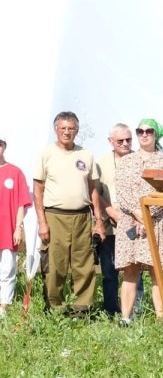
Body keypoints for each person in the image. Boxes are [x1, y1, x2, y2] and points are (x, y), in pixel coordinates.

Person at [32, 111, 105, 316]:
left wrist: (98, 220)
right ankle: (54, 308)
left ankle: (81, 309)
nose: (67, 132)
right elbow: (38, 190)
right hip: (55, 216)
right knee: (55, 265)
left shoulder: (86, 155)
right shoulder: (46, 154)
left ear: (77, 130)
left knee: (85, 264)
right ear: (56, 130)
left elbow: (93, 190)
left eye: (71, 128)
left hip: (82, 216)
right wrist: (42, 222)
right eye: (63, 128)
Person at [114, 119, 163, 324]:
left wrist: (147, 213)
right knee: (130, 270)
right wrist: (136, 213)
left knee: (156, 270)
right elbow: (121, 191)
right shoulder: (125, 161)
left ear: (156, 135)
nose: (144, 135)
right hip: (130, 221)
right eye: (140, 131)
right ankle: (126, 317)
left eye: (149, 131)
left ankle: (161, 318)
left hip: (156, 220)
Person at [95, 124, 134, 318]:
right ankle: (110, 310)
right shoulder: (101, 164)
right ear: (110, 141)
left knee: (134, 270)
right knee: (110, 271)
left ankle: (134, 310)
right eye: (121, 141)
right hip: (111, 226)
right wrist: (110, 212)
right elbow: (95, 194)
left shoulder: (138, 160)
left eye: (128, 140)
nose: (125, 144)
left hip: (135, 226)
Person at [0, 136, 32, 316]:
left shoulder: (15, 172)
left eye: (0, 144)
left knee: (7, 268)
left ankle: (4, 305)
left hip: (7, 229)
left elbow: (21, 203)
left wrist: (18, 227)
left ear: (4, 147)